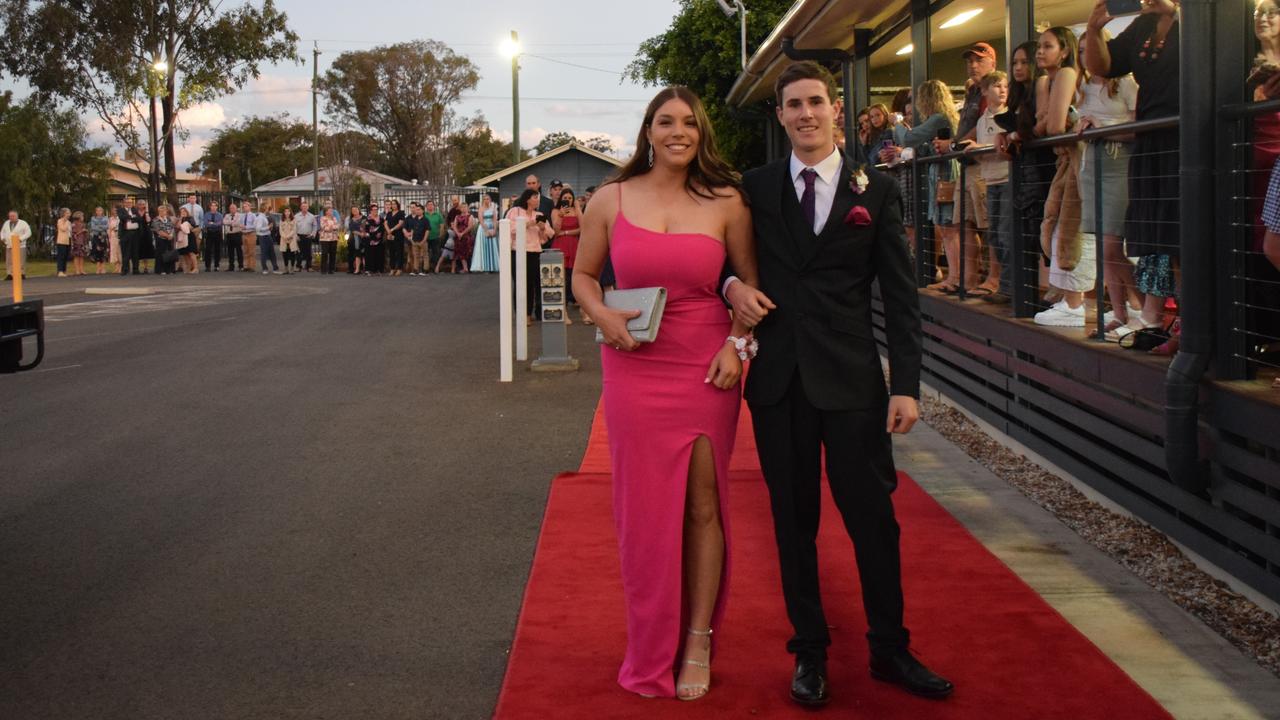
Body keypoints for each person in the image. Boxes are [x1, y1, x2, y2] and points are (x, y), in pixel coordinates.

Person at [725, 61, 953, 707]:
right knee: (792, 524)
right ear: (781, 115)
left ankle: (890, 648)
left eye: (815, 102)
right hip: (779, 383)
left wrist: (906, 383)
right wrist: (731, 286)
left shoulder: (874, 190)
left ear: (837, 110)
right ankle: (810, 653)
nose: (805, 114)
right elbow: (725, 261)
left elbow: (901, 295)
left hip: (854, 382)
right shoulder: (756, 186)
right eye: (793, 104)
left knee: (874, 521)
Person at [573, 84, 757, 701]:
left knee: (704, 505)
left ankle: (698, 638)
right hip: (633, 365)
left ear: (701, 133)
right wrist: (603, 318)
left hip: (706, 366)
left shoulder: (728, 200)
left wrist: (737, 346)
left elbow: (746, 288)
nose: (678, 132)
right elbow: (583, 276)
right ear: (648, 131)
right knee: (645, 514)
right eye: (665, 122)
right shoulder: (608, 199)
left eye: (690, 123)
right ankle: (651, 645)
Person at [1086, 0, 1181, 352]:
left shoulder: (1195, 19)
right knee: (1162, 239)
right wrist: (1094, 29)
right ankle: (1174, 327)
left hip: (1186, 135)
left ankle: (1190, 329)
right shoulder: (1143, 26)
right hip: (1152, 137)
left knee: (1183, 237)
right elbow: (1104, 65)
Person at [1077, 28, 1143, 337]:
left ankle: (1141, 310)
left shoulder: (1126, 84)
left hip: (1119, 165)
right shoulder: (1080, 88)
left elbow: (1137, 128)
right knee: (1104, 247)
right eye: (1080, 51)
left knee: (1113, 245)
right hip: (1092, 165)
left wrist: (1102, 128)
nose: (1085, 56)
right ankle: (1119, 313)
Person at [1033, 26, 1095, 328]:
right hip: (1068, 160)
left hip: (1079, 159)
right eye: (1038, 47)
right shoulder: (1051, 80)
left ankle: (1075, 303)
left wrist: (1042, 123)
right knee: (1059, 224)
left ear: (1064, 50)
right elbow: (1041, 122)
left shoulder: (1068, 75)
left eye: (1047, 46)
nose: (1040, 52)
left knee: (1071, 229)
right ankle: (1070, 299)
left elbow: (1052, 125)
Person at [883, 80, 959, 291]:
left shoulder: (938, 118)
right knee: (944, 227)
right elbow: (925, 149)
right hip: (939, 173)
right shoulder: (942, 119)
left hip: (945, 173)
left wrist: (897, 123)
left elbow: (909, 138)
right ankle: (954, 277)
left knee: (948, 227)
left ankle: (956, 278)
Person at [969, 71, 1013, 303]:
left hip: (1008, 179)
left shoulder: (1011, 115)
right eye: (997, 86)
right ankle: (1004, 285)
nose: (1003, 90)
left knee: (1006, 234)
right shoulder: (982, 120)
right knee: (994, 235)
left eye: (1005, 86)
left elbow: (1009, 150)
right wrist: (976, 149)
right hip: (990, 180)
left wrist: (986, 149)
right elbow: (984, 153)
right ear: (985, 91)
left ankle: (1009, 287)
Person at [506, 189, 553, 324]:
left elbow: (550, 234)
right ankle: (522, 314)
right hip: (518, 251)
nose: (537, 200)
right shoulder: (514, 211)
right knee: (520, 283)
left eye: (538, 197)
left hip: (535, 251)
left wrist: (543, 227)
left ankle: (530, 313)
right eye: (535, 197)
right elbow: (509, 229)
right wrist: (529, 224)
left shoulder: (539, 214)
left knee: (533, 284)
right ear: (527, 199)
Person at [552, 188, 582, 323]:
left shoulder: (576, 211)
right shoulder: (556, 211)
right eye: (565, 198)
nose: (568, 200)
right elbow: (556, 231)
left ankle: (585, 311)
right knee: (561, 280)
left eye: (570, 198)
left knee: (577, 280)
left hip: (575, 246)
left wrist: (578, 207)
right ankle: (563, 312)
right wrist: (560, 216)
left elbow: (583, 227)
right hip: (561, 246)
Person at [247, 201, 280, 274]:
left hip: (267, 236)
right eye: (268, 208)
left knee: (271, 252)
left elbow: (256, 227)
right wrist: (268, 227)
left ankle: (274, 268)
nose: (269, 210)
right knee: (264, 253)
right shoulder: (260, 217)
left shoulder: (262, 216)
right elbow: (258, 229)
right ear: (265, 208)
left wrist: (268, 228)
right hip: (263, 237)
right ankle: (265, 269)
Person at [472, 194, 500, 273]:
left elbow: (495, 220)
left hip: (492, 227)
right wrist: (487, 230)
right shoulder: (481, 209)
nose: (486, 200)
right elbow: (481, 221)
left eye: (488, 199)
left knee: (493, 246)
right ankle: (485, 267)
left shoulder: (493, 208)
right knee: (484, 247)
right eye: (485, 199)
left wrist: (494, 229)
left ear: (490, 200)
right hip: (483, 229)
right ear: (483, 200)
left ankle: (493, 267)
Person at [117, 197, 145, 276]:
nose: (130, 204)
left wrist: (131, 218)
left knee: (135, 252)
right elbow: (122, 217)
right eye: (128, 202)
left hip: (135, 233)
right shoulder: (121, 210)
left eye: (131, 202)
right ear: (124, 203)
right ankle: (125, 269)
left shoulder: (134, 210)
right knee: (126, 252)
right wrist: (132, 217)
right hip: (125, 234)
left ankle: (135, 269)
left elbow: (139, 219)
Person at [3, 210, 31, 280]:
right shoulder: (6, 223)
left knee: (21, 260)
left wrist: (21, 239)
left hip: (20, 245)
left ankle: (22, 273)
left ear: (17, 216)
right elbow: (2, 232)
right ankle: (10, 274)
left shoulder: (23, 223)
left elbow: (28, 233)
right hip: (9, 244)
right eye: (10, 216)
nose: (11, 217)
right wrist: (3, 238)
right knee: (9, 260)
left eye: (13, 216)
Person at [150, 204, 175, 275]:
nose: (163, 212)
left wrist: (171, 235)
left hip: (169, 239)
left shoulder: (168, 219)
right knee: (161, 254)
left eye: (164, 211)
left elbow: (172, 227)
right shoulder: (155, 220)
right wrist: (167, 236)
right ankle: (161, 270)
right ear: (159, 212)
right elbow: (158, 231)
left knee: (169, 254)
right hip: (160, 239)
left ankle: (169, 270)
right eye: (161, 211)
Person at [383, 200, 406, 276]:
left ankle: (399, 269)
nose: (393, 205)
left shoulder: (401, 213)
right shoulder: (389, 213)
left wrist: (392, 229)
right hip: (390, 235)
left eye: (395, 204)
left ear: (397, 205)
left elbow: (400, 223)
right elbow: (385, 223)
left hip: (398, 235)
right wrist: (388, 231)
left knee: (399, 252)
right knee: (391, 252)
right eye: (392, 204)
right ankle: (392, 269)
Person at [173, 206, 198, 274]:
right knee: (185, 253)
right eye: (181, 212)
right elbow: (177, 227)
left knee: (191, 252)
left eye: (184, 211)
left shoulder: (190, 218)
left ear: (187, 212)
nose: (183, 213)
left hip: (189, 236)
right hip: (182, 237)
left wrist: (183, 226)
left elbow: (192, 226)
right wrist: (180, 219)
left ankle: (195, 268)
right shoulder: (179, 219)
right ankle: (188, 268)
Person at [404, 202, 426, 275]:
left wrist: (411, 234)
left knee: (420, 255)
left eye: (414, 207)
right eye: (411, 207)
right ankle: (413, 270)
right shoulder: (408, 218)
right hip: (409, 240)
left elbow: (425, 229)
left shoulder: (420, 217)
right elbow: (404, 228)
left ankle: (420, 270)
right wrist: (407, 234)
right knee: (411, 255)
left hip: (419, 239)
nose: (412, 209)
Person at [295, 201, 317, 273]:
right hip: (299, 236)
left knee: (308, 252)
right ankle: (298, 266)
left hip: (308, 236)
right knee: (299, 252)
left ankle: (309, 266)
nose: (304, 208)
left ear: (308, 207)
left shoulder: (312, 216)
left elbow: (315, 226)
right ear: (301, 207)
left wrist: (312, 234)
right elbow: (293, 227)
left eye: (306, 206)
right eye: (303, 206)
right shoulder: (296, 216)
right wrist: (295, 235)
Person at [180, 194, 203, 262]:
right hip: (187, 229)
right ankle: (189, 264)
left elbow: (201, 219)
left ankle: (195, 264)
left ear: (196, 199)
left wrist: (200, 228)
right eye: (191, 198)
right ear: (188, 199)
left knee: (196, 246)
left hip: (197, 228)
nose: (192, 199)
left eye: (194, 198)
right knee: (189, 248)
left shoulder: (199, 208)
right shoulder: (184, 207)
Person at [424, 200, 445, 273]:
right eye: (428, 205)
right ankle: (426, 268)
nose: (430, 206)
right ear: (426, 206)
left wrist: (440, 234)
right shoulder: (424, 215)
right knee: (426, 253)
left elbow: (442, 225)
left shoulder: (438, 215)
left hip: (435, 237)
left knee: (436, 253)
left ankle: (436, 268)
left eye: (431, 204)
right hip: (426, 237)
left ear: (434, 206)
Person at [364, 203, 385, 275]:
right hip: (370, 240)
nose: (375, 211)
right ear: (371, 211)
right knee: (370, 255)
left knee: (379, 255)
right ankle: (370, 270)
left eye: (376, 209)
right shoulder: (368, 219)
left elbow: (383, 228)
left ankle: (378, 270)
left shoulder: (381, 219)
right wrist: (369, 238)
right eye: (374, 210)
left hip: (379, 240)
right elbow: (366, 230)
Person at [203, 201, 224, 271]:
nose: (213, 207)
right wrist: (214, 223)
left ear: (217, 207)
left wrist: (212, 223)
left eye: (215, 206)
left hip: (217, 233)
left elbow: (220, 224)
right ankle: (207, 266)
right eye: (212, 206)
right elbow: (206, 223)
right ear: (210, 207)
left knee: (217, 250)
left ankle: (216, 265)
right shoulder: (206, 214)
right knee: (208, 249)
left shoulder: (220, 215)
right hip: (209, 233)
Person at [319, 206, 340, 274]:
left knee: (333, 253)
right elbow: (323, 227)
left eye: (332, 211)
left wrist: (331, 227)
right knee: (324, 253)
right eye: (330, 210)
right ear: (326, 212)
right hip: (325, 238)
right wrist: (331, 228)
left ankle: (331, 269)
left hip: (334, 238)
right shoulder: (323, 218)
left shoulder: (334, 218)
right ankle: (323, 269)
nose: (331, 212)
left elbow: (337, 226)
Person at [90, 207, 110, 275]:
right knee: (97, 251)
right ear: (95, 211)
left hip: (103, 236)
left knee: (103, 252)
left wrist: (98, 226)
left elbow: (107, 226)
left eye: (100, 210)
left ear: (102, 211)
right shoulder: (93, 218)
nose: (99, 212)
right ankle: (98, 268)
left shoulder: (106, 218)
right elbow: (93, 227)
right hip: (96, 236)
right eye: (97, 210)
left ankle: (103, 268)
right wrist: (101, 226)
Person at [223, 202, 243, 272]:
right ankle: (231, 266)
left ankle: (241, 266)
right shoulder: (227, 215)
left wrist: (230, 223)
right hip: (229, 235)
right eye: (231, 208)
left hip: (237, 234)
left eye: (233, 208)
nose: (232, 209)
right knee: (230, 251)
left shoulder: (240, 215)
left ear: (236, 209)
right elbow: (224, 222)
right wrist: (232, 223)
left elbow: (238, 223)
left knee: (239, 251)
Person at [69, 210, 89, 276]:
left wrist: (86, 233)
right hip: (76, 242)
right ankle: (77, 270)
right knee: (76, 256)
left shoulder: (83, 224)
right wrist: (82, 231)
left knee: (82, 256)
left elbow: (85, 234)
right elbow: (73, 234)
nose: (83, 217)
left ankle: (81, 269)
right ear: (78, 217)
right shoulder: (74, 224)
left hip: (82, 242)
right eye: (82, 216)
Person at [279, 207, 299, 274]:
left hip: (291, 239)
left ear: (290, 212)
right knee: (285, 254)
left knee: (292, 254)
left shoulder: (294, 220)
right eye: (285, 211)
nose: (287, 213)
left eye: (288, 211)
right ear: (284, 213)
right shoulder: (282, 220)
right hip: (284, 239)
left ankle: (292, 268)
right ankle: (286, 268)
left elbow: (294, 229)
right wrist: (284, 237)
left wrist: (288, 236)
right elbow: (280, 230)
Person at [347, 206, 365, 275]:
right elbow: (352, 230)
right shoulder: (351, 220)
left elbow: (367, 226)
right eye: (353, 210)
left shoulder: (364, 218)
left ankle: (365, 269)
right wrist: (360, 234)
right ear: (351, 212)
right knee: (358, 253)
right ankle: (357, 269)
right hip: (356, 238)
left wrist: (364, 233)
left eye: (356, 209)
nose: (355, 211)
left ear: (359, 210)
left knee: (364, 254)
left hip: (365, 237)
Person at [54, 207, 71, 277]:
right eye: (67, 213)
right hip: (61, 241)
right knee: (61, 256)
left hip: (67, 241)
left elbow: (69, 231)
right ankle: (60, 271)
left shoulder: (69, 222)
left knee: (65, 256)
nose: (69, 214)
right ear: (64, 214)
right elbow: (63, 229)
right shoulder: (60, 221)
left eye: (69, 213)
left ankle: (64, 270)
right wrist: (66, 222)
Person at [107, 205, 121, 274]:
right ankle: (116, 267)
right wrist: (109, 236)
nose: (114, 211)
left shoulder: (120, 218)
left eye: (115, 210)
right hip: (112, 236)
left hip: (119, 236)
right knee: (114, 251)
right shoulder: (110, 219)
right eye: (113, 210)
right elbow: (108, 228)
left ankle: (121, 267)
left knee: (119, 251)